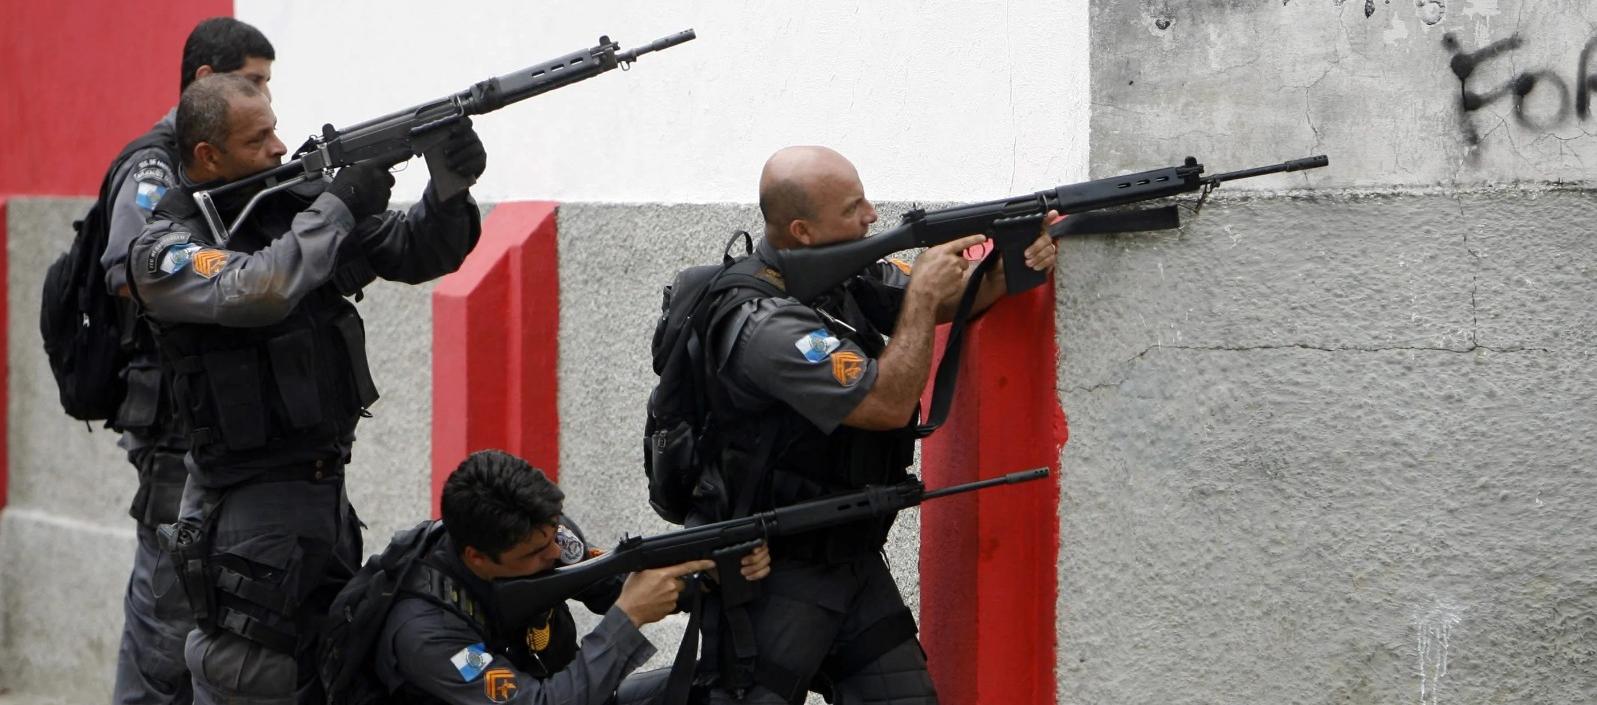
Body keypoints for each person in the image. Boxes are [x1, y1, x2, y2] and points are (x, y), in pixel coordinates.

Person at [127, 71, 488, 705]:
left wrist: (449, 189)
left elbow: (414, 251)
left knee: (332, 671)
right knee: (252, 678)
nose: (277, 147)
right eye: (257, 137)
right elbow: (256, 289)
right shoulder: (166, 246)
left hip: (322, 496)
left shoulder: (289, 208)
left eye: (275, 128)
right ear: (208, 156)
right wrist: (339, 201)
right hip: (245, 510)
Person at [694, 146, 1058, 704]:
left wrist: (1015, 261)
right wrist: (921, 300)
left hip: (855, 559)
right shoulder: (764, 325)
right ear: (803, 231)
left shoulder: (841, 273)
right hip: (779, 576)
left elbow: (947, 297)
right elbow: (885, 402)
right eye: (853, 206)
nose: (871, 214)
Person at [101, 17, 275, 705]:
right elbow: (129, 267)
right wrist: (240, 277)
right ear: (206, 80)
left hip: (213, 421)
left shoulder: (226, 157)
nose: (263, 97)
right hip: (171, 421)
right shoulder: (155, 163)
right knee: (163, 622)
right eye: (252, 82)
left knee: (196, 617)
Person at [373, 449, 772, 705]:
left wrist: (706, 574)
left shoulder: (541, 532)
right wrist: (627, 620)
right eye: (534, 552)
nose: (555, 553)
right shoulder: (426, 632)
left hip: (573, 692)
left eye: (553, 534)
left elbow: (616, 582)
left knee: (724, 690)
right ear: (476, 557)